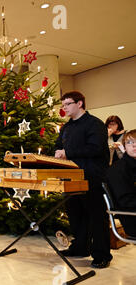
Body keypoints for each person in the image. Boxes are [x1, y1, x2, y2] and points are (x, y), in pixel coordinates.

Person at [54, 91, 112, 269]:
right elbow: (58, 145)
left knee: (96, 217)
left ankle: (102, 254)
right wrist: (57, 151)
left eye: (68, 104)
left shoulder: (95, 124)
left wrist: (68, 153)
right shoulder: (66, 127)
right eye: (63, 105)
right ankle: (80, 247)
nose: (65, 108)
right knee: (76, 214)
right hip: (71, 177)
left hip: (92, 177)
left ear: (80, 104)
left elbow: (95, 149)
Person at [106, 129, 136, 237]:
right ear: (124, 147)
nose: (134, 146)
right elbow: (126, 201)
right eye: (129, 142)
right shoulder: (118, 169)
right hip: (132, 218)